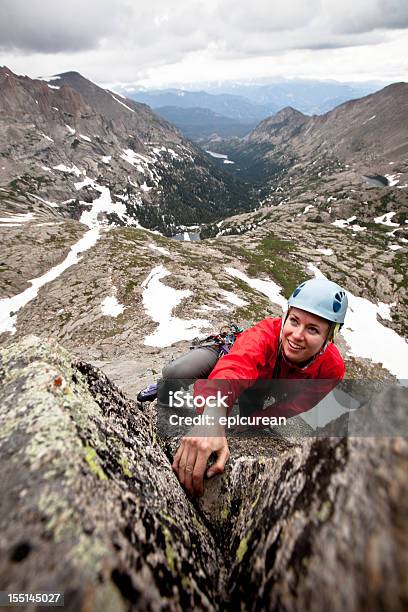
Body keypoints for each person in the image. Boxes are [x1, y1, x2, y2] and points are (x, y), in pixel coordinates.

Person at [163, 278, 348, 496]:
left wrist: (255, 420)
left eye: (313, 330)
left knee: (250, 426)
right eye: (294, 321)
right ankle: (165, 401)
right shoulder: (265, 334)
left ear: (329, 338)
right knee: (174, 374)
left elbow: (295, 405)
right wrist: (212, 417)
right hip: (226, 353)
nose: (297, 335)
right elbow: (234, 368)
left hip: (260, 386)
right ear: (286, 317)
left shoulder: (332, 369)